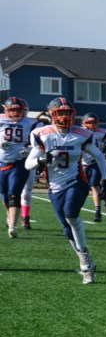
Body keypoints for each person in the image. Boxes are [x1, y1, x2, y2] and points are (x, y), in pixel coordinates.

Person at [25, 97, 106, 284]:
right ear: (52, 114)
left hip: (76, 181)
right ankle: (83, 254)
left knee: (71, 214)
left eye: (67, 112)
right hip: (54, 187)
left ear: (74, 114)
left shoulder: (81, 133)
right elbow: (27, 164)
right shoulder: (42, 133)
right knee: (66, 228)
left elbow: (99, 156)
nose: (64, 116)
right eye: (60, 112)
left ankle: (85, 261)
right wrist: (40, 160)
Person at [0, 96, 38, 238]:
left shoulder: (32, 123)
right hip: (1, 163)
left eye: (19, 110)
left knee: (14, 194)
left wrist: (28, 150)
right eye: (13, 110)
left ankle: (12, 227)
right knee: (4, 194)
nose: (16, 113)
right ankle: (10, 215)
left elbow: (39, 143)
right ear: (6, 110)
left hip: (19, 162)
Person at [20, 111, 50, 230]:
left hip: (30, 159)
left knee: (26, 192)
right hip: (13, 160)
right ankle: (10, 215)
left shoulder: (40, 127)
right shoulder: (9, 124)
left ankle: (25, 218)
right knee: (9, 191)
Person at [80, 113, 106, 222]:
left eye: (94, 122)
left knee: (93, 186)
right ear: (84, 123)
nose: (92, 125)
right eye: (89, 122)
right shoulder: (79, 132)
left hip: (96, 162)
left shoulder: (101, 133)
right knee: (94, 187)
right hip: (82, 163)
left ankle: (97, 212)